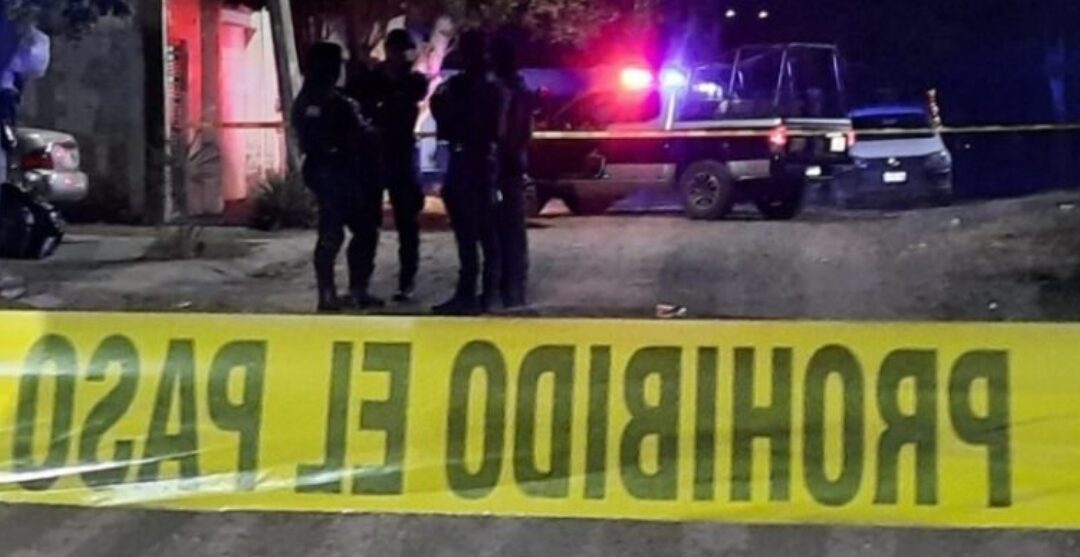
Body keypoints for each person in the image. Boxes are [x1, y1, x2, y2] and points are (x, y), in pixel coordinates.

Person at [291, 42, 384, 312]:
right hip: (338, 171)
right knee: (347, 231)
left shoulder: (306, 100)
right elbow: (363, 135)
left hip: (323, 169)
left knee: (345, 230)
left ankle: (340, 292)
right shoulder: (334, 102)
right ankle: (341, 293)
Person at [347, 29, 429, 302]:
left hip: (400, 155)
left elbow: (414, 92)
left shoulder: (413, 81)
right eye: (400, 51)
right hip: (374, 156)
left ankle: (407, 282)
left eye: (407, 51)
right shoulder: (370, 80)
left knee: (408, 223)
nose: (405, 57)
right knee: (367, 224)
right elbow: (355, 104)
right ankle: (360, 284)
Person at [430, 30, 506, 315]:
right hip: (473, 160)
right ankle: (482, 295)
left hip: (473, 160)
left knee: (477, 234)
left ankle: (476, 295)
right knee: (479, 234)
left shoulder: (475, 87)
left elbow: (447, 116)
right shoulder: (485, 87)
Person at [491, 36, 533, 309]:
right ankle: (511, 288)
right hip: (511, 164)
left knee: (505, 229)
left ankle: (510, 289)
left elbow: (509, 131)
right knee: (509, 229)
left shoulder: (507, 90)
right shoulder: (517, 88)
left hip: (505, 165)